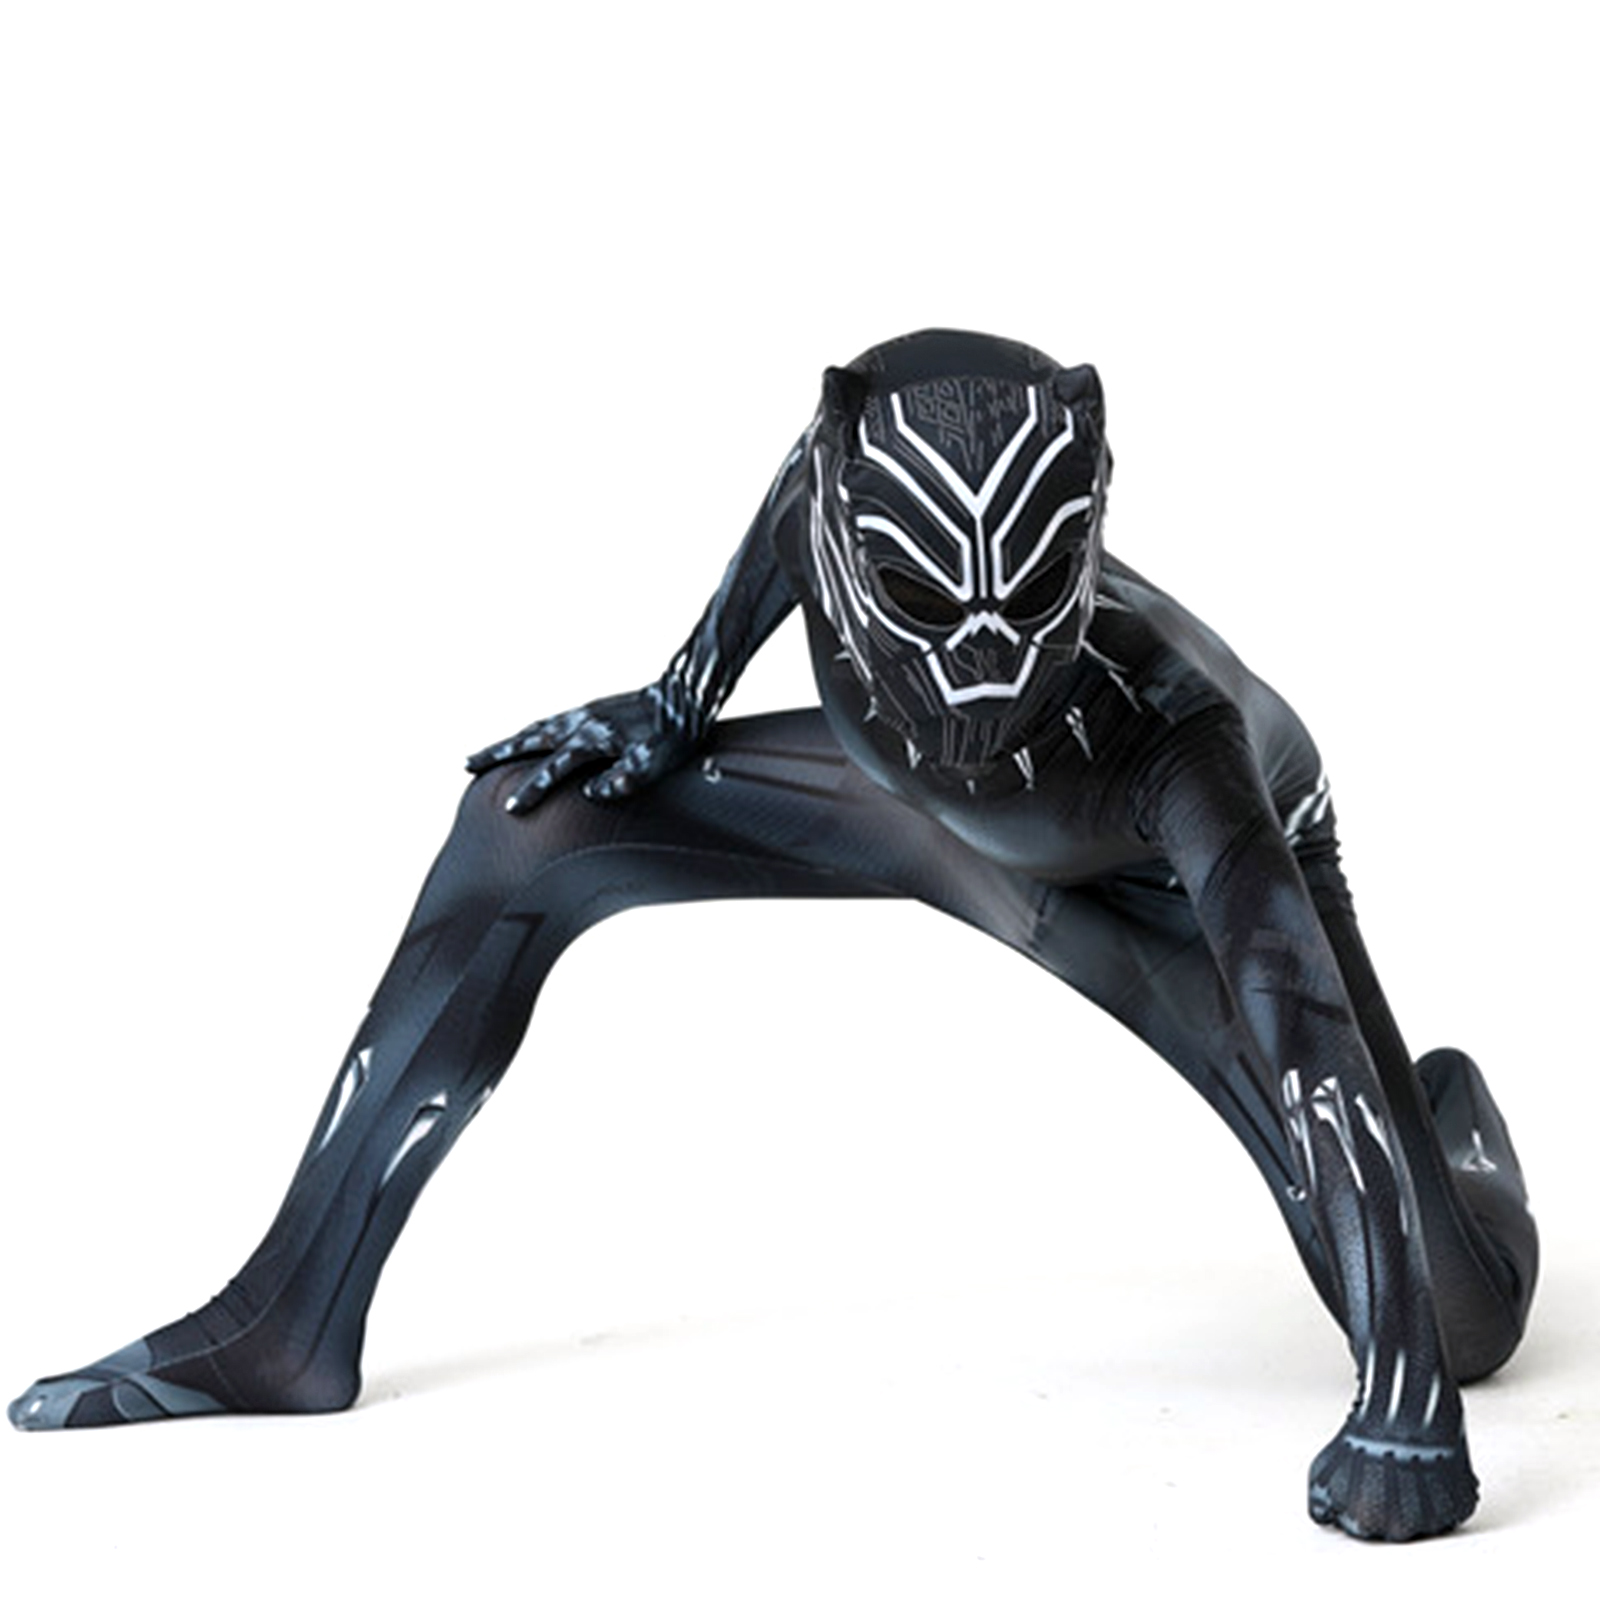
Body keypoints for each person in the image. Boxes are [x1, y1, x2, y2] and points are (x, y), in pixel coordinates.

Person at [8, 330, 1535, 1541]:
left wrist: (1405, 1401)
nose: (982, 673)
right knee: (527, 824)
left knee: (1453, 1312)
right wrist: (674, 700)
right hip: (923, 812)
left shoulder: (1175, 737)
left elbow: (1301, 1031)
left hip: (1144, 871)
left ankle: (1454, 1134)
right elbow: (794, 502)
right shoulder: (827, 484)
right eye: (923, 604)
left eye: (1026, 615)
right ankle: (288, 1318)